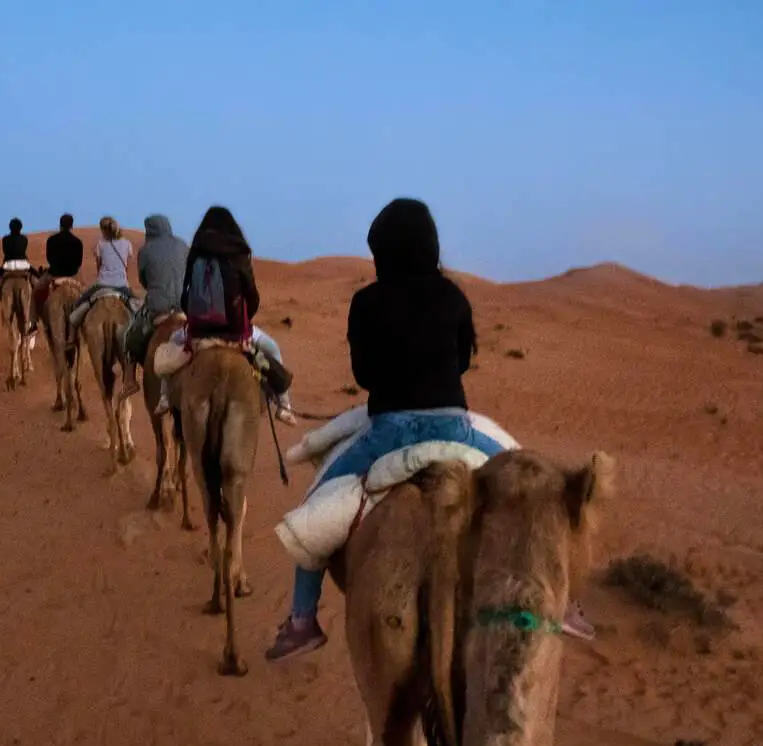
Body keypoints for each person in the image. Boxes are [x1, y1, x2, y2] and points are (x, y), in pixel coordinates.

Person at [263, 197, 595, 662]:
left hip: (388, 431)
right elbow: (462, 361)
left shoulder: (367, 301)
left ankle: (302, 621)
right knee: (536, 488)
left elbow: (363, 376)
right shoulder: (453, 297)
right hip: (456, 427)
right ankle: (563, 601)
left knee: (317, 505)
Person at [151, 205, 296, 424]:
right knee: (273, 348)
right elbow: (253, 298)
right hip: (236, 335)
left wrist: (195, 318)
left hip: (199, 334)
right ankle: (284, 406)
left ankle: (164, 398)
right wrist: (243, 319)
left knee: (172, 340)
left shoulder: (196, 254)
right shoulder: (239, 255)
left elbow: (185, 297)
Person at [118, 214, 188, 399]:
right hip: (185, 306)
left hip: (158, 307)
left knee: (130, 332)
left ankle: (130, 379)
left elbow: (143, 279)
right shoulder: (182, 245)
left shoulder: (146, 250)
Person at [68, 216, 136, 328]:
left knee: (79, 303)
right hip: (122, 284)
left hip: (102, 284)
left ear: (103, 230)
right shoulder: (127, 244)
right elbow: (127, 267)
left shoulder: (100, 244)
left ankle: (72, 336)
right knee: (137, 308)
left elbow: (99, 268)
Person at [0, 217, 33, 303]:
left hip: (8, 266)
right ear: (20, 228)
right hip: (23, 265)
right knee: (37, 277)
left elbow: (5, 252)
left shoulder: (5, 239)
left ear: (10, 227)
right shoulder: (24, 239)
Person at [45, 213, 84, 279]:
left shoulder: (51, 240)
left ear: (60, 224)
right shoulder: (78, 242)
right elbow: (79, 263)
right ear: (71, 225)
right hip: (72, 273)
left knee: (36, 288)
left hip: (55, 273)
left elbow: (49, 259)